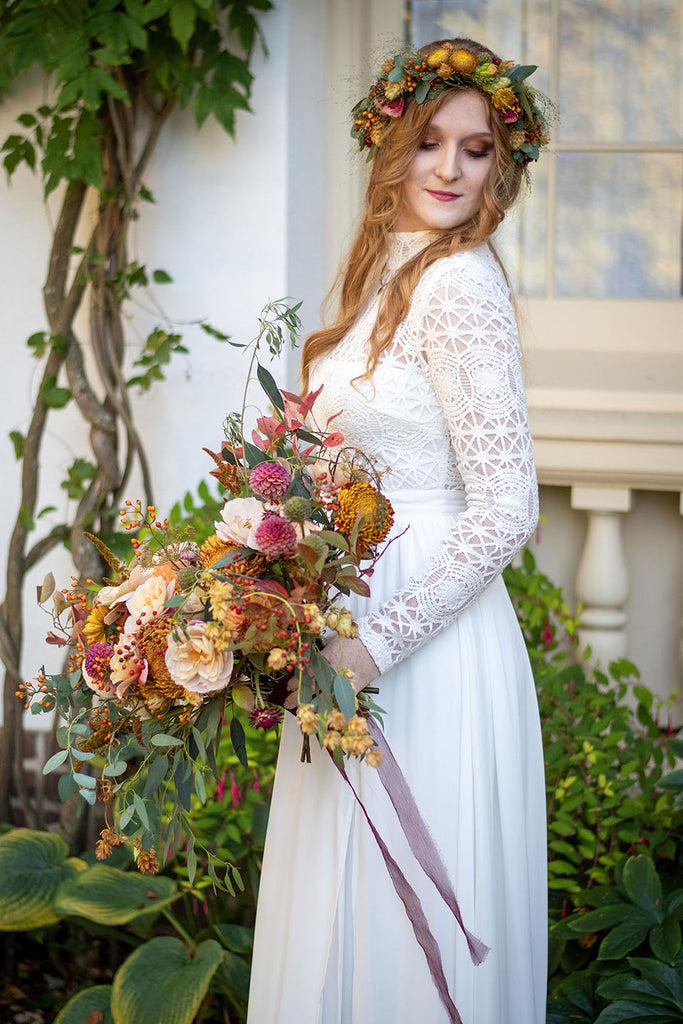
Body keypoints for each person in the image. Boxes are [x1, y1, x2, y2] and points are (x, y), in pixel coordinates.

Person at [247, 37, 550, 1024]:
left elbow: (505, 506)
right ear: (392, 147)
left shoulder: (458, 284)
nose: (452, 170)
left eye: (475, 149)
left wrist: (373, 640)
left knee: (391, 921)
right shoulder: (388, 269)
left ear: (500, 161)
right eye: (431, 143)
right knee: (342, 901)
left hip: (423, 646)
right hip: (350, 615)